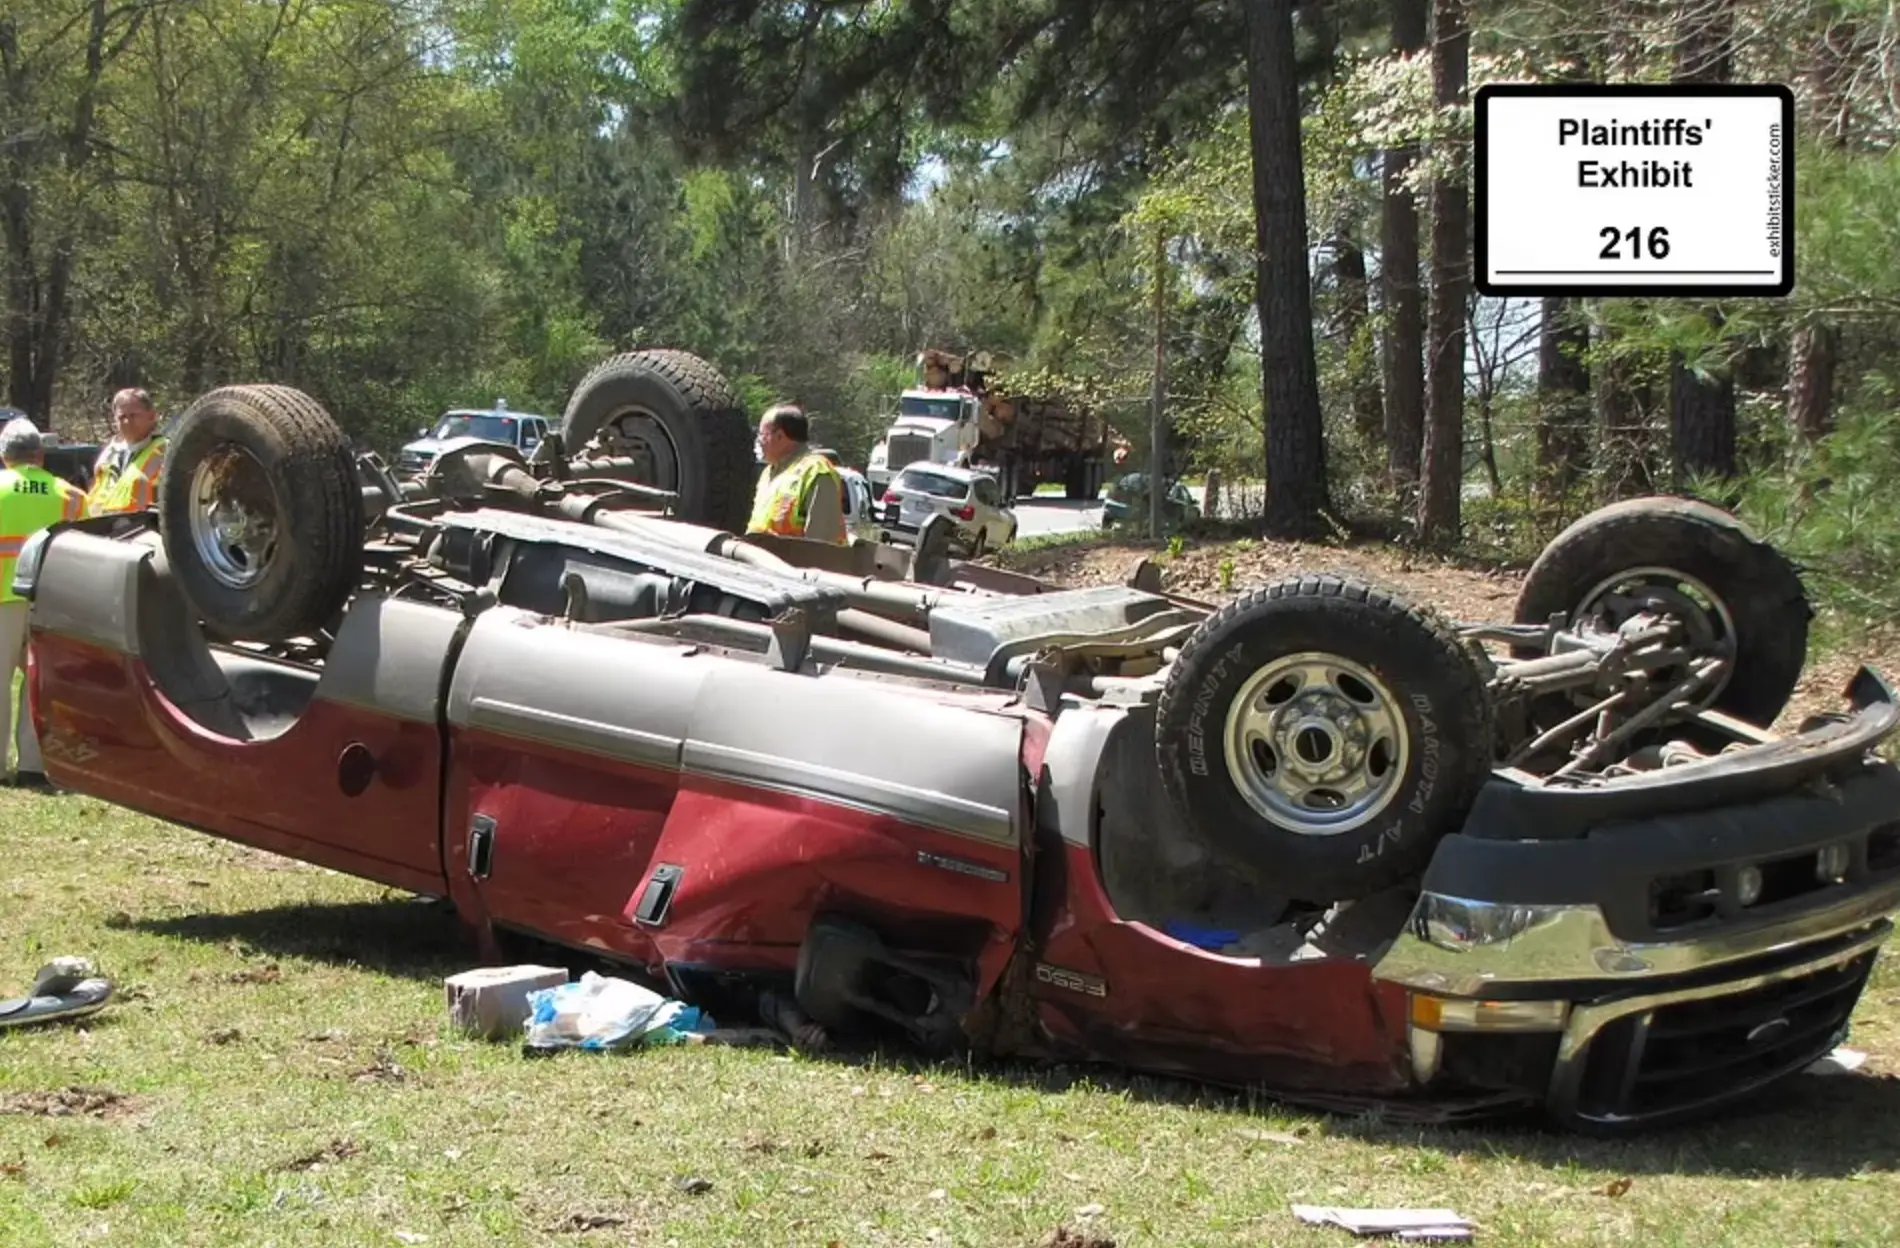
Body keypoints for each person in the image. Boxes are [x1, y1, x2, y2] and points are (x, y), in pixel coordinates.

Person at [0, 418, 86, 788]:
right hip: (50, 599)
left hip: (2, 599)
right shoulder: (73, 496)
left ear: (5, 456)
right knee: (41, 682)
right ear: (40, 454)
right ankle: (36, 766)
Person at [747, 404, 846, 544]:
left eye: (762, 435)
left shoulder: (816, 471)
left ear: (780, 436)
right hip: (758, 563)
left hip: (792, 564)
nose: (759, 441)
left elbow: (821, 546)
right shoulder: (768, 473)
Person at [85, 387, 167, 515]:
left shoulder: (164, 450)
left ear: (151, 416)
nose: (127, 421)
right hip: (102, 526)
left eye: (133, 415)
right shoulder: (109, 453)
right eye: (122, 417)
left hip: (144, 527)